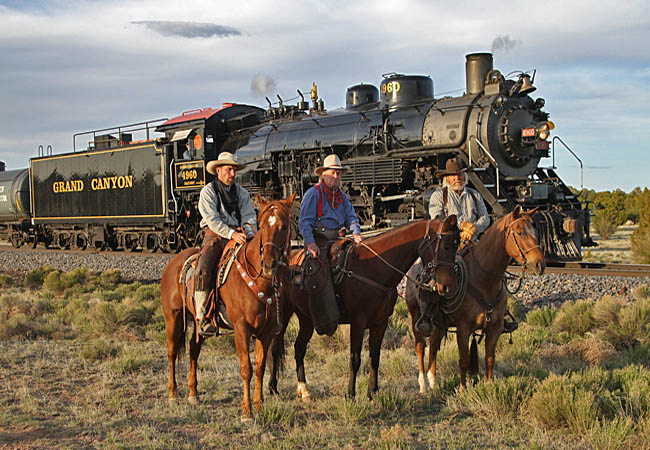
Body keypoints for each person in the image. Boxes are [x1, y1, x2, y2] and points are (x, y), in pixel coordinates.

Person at [416, 157, 518, 334]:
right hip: (449, 244)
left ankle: (501, 314)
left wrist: (474, 228)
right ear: (446, 178)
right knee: (432, 274)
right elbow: (436, 219)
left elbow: (485, 217)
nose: (458, 178)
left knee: (493, 270)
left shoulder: (474, 194)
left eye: (460, 175)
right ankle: (428, 314)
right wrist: (461, 226)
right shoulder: (439, 196)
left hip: (474, 242)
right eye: (454, 176)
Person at [299, 154, 363, 335]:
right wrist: (310, 243)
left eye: (339, 174)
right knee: (320, 271)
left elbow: (351, 216)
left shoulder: (342, 196)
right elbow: (304, 222)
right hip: (318, 240)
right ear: (324, 174)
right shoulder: (313, 194)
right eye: (333, 173)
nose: (336, 177)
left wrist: (356, 232)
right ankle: (325, 319)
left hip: (337, 239)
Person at [194, 152, 257, 336]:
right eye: (229, 170)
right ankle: (202, 315)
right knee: (204, 266)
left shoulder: (242, 193)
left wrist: (250, 233)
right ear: (218, 170)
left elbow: (249, 215)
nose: (232, 174)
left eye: (234, 170)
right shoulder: (208, 192)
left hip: (239, 234)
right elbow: (212, 220)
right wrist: (230, 234)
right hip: (215, 235)